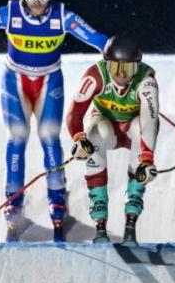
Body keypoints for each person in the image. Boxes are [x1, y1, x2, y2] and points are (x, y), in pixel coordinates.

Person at [0, 0, 108, 242]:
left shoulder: (63, 17)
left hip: (49, 82)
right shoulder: (9, 14)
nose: (38, 2)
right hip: (16, 81)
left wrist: (119, 54)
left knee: (49, 138)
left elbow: (98, 40)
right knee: (18, 137)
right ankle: (14, 203)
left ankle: (57, 201)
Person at [66, 34, 159, 246]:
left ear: (138, 67)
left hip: (133, 128)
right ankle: (99, 220)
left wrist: (147, 159)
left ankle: (131, 220)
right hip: (105, 124)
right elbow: (74, 113)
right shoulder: (95, 76)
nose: (120, 76)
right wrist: (79, 139)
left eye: (127, 70)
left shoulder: (147, 82)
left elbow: (149, 124)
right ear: (106, 63)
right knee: (96, 134)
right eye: (115, 68)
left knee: (138, 129)